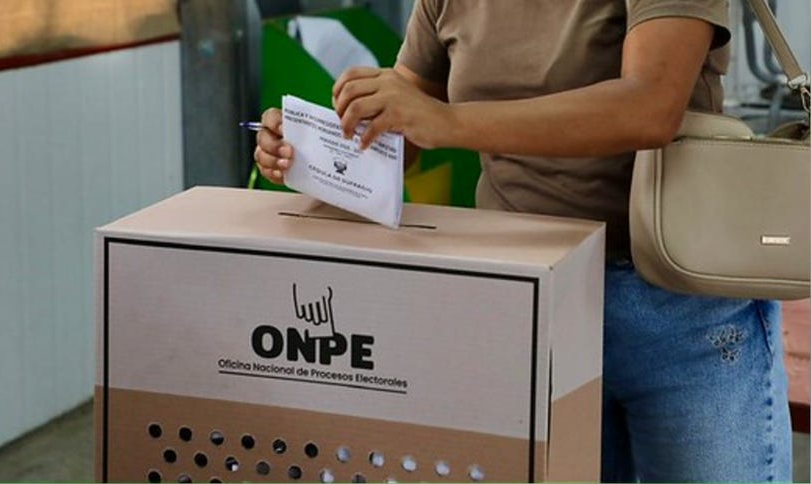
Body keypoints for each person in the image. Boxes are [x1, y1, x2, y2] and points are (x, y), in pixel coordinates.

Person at [253, 1, 793, 481]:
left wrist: (447, 121)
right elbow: (404, 126)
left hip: (676, 307)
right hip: (531, 300)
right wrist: (311, 150)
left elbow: (650, 107)